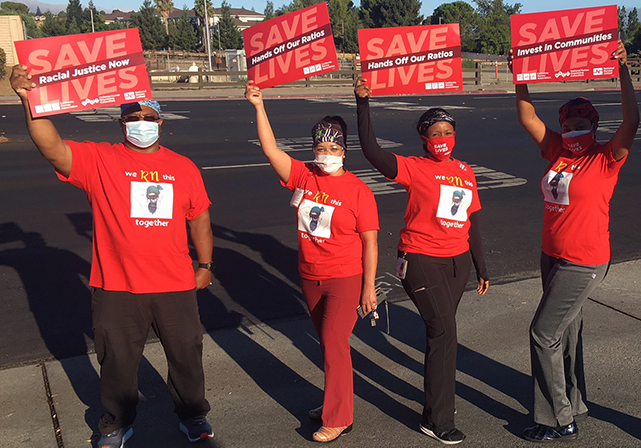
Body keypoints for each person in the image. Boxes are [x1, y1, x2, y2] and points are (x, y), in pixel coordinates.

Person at [10, 65, 215, 448]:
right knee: (117, 362)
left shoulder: (183, 168)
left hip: (174, 284)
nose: (141, 123)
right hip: (117, 286)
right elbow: (51, 147)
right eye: (133, 118)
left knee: (187, 355)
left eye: (148, 118)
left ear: (161, 121)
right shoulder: (99, 161)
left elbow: (199, 216)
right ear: (121, 123)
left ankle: (193, 415)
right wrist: (29, 99)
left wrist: (205, 265)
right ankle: (116, 423)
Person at [511, 40, 638, 442]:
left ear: (595, 126)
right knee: (564, 333)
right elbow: (527, 116)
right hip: (552, 256)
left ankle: (557, 419)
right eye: (568, 125)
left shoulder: (605, 157)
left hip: (584, 261)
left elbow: (633, 121)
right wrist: (521, 75)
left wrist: (623, 70)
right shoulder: (557, 151)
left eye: (581, 125)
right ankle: (574, 399)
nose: (573, 131)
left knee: (541, 333)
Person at [354, 77, 489, 445]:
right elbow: (372, 151)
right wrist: (363, 103)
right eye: (435, 133)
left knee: (440, 336)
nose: (442, 138)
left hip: (458, 262)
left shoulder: (465, 171)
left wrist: (481, 265)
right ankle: (438, 419)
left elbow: (471, 219)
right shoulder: (414, 167)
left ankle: (437, 405)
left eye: (448, 131)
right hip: (421, 259)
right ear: (424, 138)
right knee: (445, 334)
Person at [244, 81, 379, 443]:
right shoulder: (305, 176)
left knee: (335, 343)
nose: (327, 153)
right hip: (310, 275)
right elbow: (271, 150)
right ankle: (334, 400)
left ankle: (339, 417)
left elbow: (370, 242)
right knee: (327, 343)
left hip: (345, 278)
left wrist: (369, 287)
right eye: (321, 147)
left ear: (344, 151)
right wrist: (259, 106)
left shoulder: (358, 191)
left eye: (334, 147)